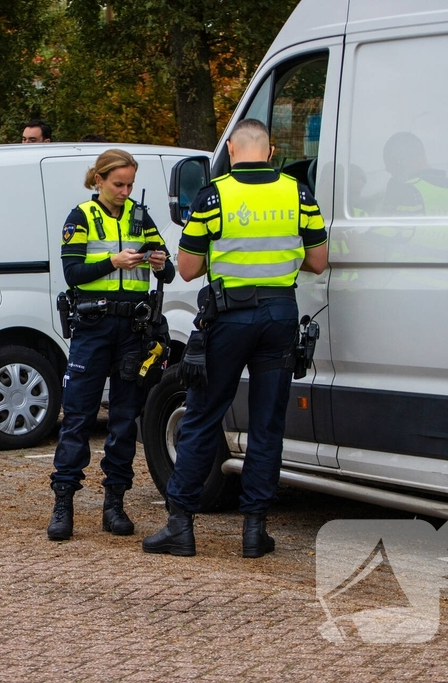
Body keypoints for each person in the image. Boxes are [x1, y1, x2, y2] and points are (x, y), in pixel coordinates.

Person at [142, 119, 328, 558]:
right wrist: (275, 266)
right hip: (280, 314)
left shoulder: (213, 194)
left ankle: (180, 526)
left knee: (203, 416)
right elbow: (318, 260)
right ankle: (254, 532)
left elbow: (186, 268)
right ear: (271, 150)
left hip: (229, 318)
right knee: (267, 425)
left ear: (230, 148)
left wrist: (230, 260)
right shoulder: (298, 193)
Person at [47, 149, 176, 541]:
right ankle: (63, 503)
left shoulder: (140, 216)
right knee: (79, 417)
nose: (125, 191)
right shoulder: (81, 217)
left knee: (124, 419)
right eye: (118, 184)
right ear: (98, 180)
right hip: (93, 327)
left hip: (132, 331)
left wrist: (158, 263)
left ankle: (114, 505)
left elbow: (167, 268)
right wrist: (113, 264)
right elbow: (73, 272)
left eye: (130, 184)